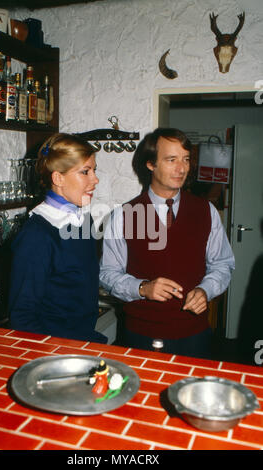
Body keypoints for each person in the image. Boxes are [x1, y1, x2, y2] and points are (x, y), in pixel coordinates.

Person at [99, 128, 235, 358]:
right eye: (171, 160)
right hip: (141, 335)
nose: (182, 168)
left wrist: (206, 290)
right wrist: (142, 288)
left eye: (186, 159)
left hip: (195, 335)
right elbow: (107, 273)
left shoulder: (206, 211)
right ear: (150, 164)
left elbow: (223, 264)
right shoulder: (124, 215)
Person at [9, 133, 107, 343]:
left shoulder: (83, 219)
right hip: (55, 350)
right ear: (58, 178)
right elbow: (22, 318)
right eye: (85, 172)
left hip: (82, 341)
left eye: (94, 170)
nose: (95, 179)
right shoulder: (38, 234)